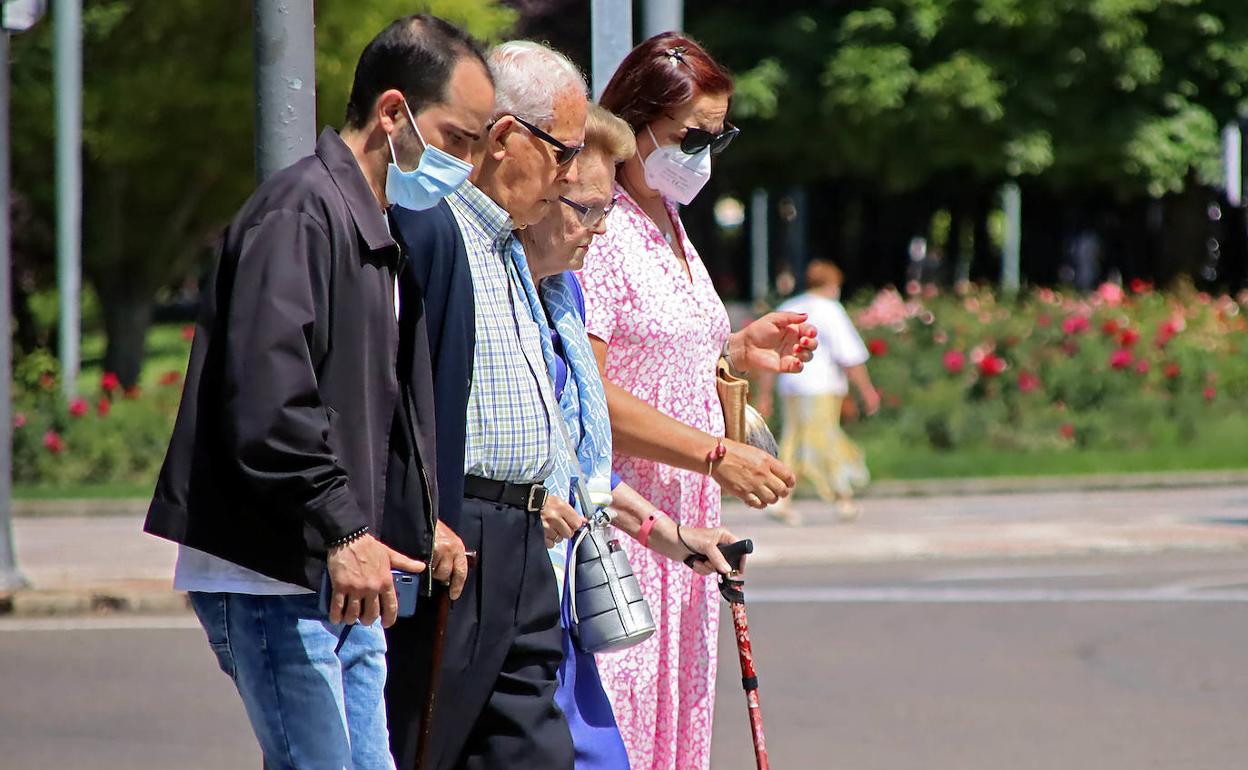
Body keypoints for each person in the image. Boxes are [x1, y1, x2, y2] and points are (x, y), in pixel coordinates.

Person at [142, 15, 493, 770]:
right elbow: (269, 401)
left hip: (337, 563)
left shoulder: (373, 222)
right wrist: (341, 527)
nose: (465, 164)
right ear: (393, 112)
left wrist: (414, 521)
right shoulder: (300, 210)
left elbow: (375, 404)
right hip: (276, 568)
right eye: (457, 139)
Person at [578, 32, 817, 770]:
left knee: (675, 741)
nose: (702, 156)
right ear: (636, 120)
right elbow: (584, 395)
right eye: (690, 137)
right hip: (629, 533)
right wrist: (715, 455)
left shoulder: (670, 224)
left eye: (718, 137)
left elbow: (660, 354)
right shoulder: (600, 229)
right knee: (620, 738)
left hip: (686, 540)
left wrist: (738, 350)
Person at [516, 104, 742, 770]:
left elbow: (582, 460)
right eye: (586, 209)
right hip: (510, 588)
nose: (600, 227)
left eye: (605, 208)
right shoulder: (490, 296)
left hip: (567, 585)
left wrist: (677, 537)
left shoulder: (561, 297)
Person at [385, 39, 587, 770]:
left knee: (531, 750)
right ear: (506, 139)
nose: (568, 177)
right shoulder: (434, 227)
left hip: (521, 535)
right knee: (425, 743)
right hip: (456, 534)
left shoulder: (505, 239)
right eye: (563, 154)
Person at [756, 260, 880, 524]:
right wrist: (867, 391)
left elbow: (767, 355)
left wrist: (764, 395)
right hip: (822, 387)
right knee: (825, 439)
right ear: (832, 284)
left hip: (791, 385)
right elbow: (850, 356)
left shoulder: (788, 307)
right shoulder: (830, 310)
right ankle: (841, 497)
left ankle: (783, 499)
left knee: (794, 439)